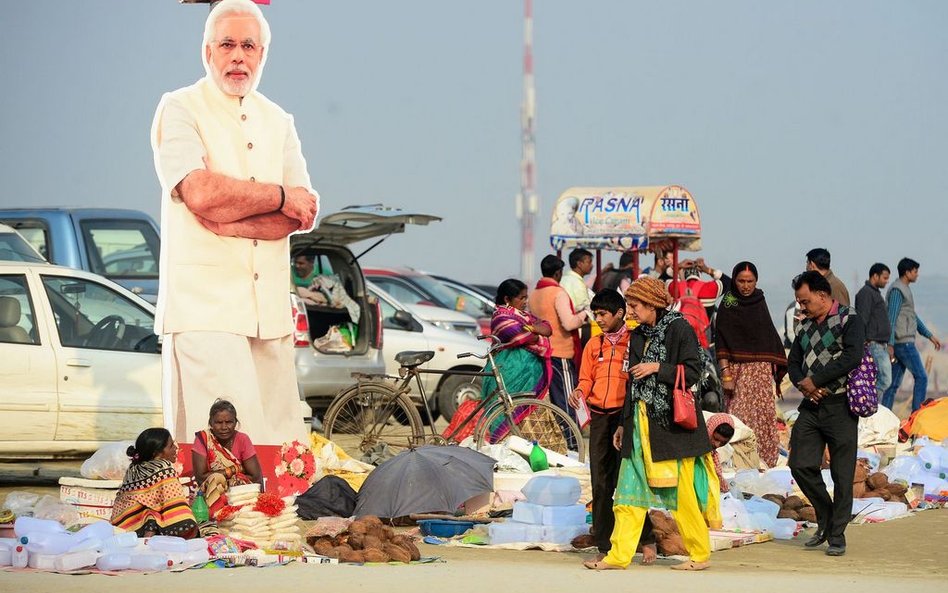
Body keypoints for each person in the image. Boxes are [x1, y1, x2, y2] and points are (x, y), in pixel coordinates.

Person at [151, 0, 318, 445]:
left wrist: (231, 218)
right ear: (208, 52)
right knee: (218, 449)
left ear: (263, 54)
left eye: (249, 45)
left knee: (280, 450)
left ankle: (271, 517)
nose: (238, 56)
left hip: (268, 310)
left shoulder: (278, 121)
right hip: (205, 309)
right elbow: (200, 193)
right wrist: (277, 197)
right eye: (227, 45)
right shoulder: (180, 108)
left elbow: (301, 213)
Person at [584, 277, 720, 571]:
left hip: (669, 427)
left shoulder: (679, 328)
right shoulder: (638, 335)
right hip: (638, 423)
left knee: (681, 494)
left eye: (634, 306)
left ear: (652, 304)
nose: (630, 312)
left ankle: (699, 555)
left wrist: (658, 367)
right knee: (628, 493)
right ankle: (618, 556)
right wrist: (623, 424)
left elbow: (694, 371)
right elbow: (633, 384)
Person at [568, 290, 656, 564]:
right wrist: (579, 392)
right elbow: (585, 379)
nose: (599, 319)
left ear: (620, 314)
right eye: (596, 315)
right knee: (600, 482)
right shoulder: (594, 345)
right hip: (599, 418)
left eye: (603, 314)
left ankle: (647, 538)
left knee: (630, 481)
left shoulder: (636, 341)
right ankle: (605, 543)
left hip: (626, 415)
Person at [788, 271, 865, 557]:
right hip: (811, 406)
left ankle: (837, 536)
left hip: (841, 406)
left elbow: (852, 357)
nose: (802, 307)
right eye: (799, 301)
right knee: (800, 464)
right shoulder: (804, 326)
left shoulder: (849, 319)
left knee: (842, 474)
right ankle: (827, 516)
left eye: (805, 301)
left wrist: (816, 381)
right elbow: (793, 362)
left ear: (822, 295)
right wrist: (804, 385)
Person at [444, 279, 552, 441]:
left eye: (525, 297)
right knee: (503, 411)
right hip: (508, 371)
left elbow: (547, 328)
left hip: (528, 373)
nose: (525, 302)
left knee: (526, 413)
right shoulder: (501, 317)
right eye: (521, 298)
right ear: (507, 299)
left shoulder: (522, 316)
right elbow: (523, 336)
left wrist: (533, 329)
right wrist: (536, 330)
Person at [714, 261, 788, 467]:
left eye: (750, 281)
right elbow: (721, 338)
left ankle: (764, 463)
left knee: (763, 418)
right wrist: (725, 373)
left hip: (761, 373)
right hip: (737, 371)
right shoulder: (729, 302)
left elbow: (767, 334)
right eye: (741, 281)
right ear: (734, 280)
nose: (745, 286)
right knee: (738, 417)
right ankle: (738, 463)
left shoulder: (759, 299)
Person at [529, 255, 587, 440]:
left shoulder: (534, 293)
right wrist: (584, 315)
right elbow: (569, 323)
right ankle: (573, 439)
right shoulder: (557, 293)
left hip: (544, 351)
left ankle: (566, 439)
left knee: (556, 398)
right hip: (561, 351)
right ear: (558, 272)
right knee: (569, 398)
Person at [111, 428, 199, 539]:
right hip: (141, 524)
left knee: (151, 514)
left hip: (122, 521)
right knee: (157, 517)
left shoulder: (133, 467)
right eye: (171, 446)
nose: (176, 448)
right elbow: (173, 501)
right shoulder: (163, 467)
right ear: (157, 453)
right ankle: (147, 545)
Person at [882, 258, 942, 412]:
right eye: (915, 271)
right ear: (907, 272)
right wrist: (890, 344)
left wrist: (929, 336)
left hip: (902, 342)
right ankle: (916, 415)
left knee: (893, 384)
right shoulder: (897, 290)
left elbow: (913, 317)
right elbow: (892, 317)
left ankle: (883, 417)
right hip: (903, 343)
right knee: (921, 377)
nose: (917, 275)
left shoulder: (905, 289)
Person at [192, 399, 263, 517]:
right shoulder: (203, 439)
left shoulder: (243, 439)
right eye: (219, 422)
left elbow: (255, 476)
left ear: (235, 422)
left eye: (229, 422)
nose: (224, 427)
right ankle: (217, 516)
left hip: (239, 494)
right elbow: (201, 477)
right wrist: (237, 469)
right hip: (212, 493)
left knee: (237, 480)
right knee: (216, 478)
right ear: (211, 423)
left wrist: (233, 479)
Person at [854, 263, 893, 402]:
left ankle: (874, 408)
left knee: (882, 380)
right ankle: (873, 408)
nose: (886, 281)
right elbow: (862, 318)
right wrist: (864, 340)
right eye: (884, 277)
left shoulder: (874, 293)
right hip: (873, 343)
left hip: (880, 344)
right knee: (884, 380)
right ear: (875, 276)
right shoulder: (866, 293)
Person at [704, 414, 736, 492]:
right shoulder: (696, 451)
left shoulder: (713, 455)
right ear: (709, 430)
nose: (717, 445)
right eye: (715, 439)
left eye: (723, 442)